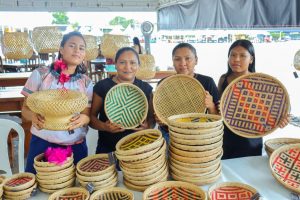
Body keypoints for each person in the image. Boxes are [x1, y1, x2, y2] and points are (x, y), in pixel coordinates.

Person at [21, 31, 93, 174]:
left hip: (74, 144)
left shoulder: (86, 82)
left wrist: (84, 118)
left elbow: (86, 114)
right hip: (42, 142)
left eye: (81, 48)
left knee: (74, 188)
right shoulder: (41, 74)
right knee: (37, 185)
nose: (77, 50)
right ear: (61, 49)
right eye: (72, 46)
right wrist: (33, 117)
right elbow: (25, 109)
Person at [218, 39, 290, 159]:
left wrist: (282, 120)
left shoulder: (261, 81)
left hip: (252, 135)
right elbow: (219, 105)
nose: (236, 59)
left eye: (242, 56)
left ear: (251, 59)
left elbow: (278, 107)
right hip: (226, 135)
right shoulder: (224, 79)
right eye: (233, 55)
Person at [90, 47, 155, 153]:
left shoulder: (146, 88)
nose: (127, 67)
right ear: (115, 64)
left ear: (138, 65)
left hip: (137, 148)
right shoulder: (102, 86)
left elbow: (151, 119)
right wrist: (105, 127)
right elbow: (91, 118)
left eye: (133, 62)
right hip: (108, 148)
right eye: (122, 62)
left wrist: (148, 126)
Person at [156, 42, 219, 143]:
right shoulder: (164, 83)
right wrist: (159, 120)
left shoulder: (207, 81)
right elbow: (159, 114)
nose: (182, 63)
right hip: (170, 134)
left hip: (198, 133)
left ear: (196, 60)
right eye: (177, 59)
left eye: (187, 58)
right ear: (173, 62)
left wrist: (211, 105)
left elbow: (217, 118)